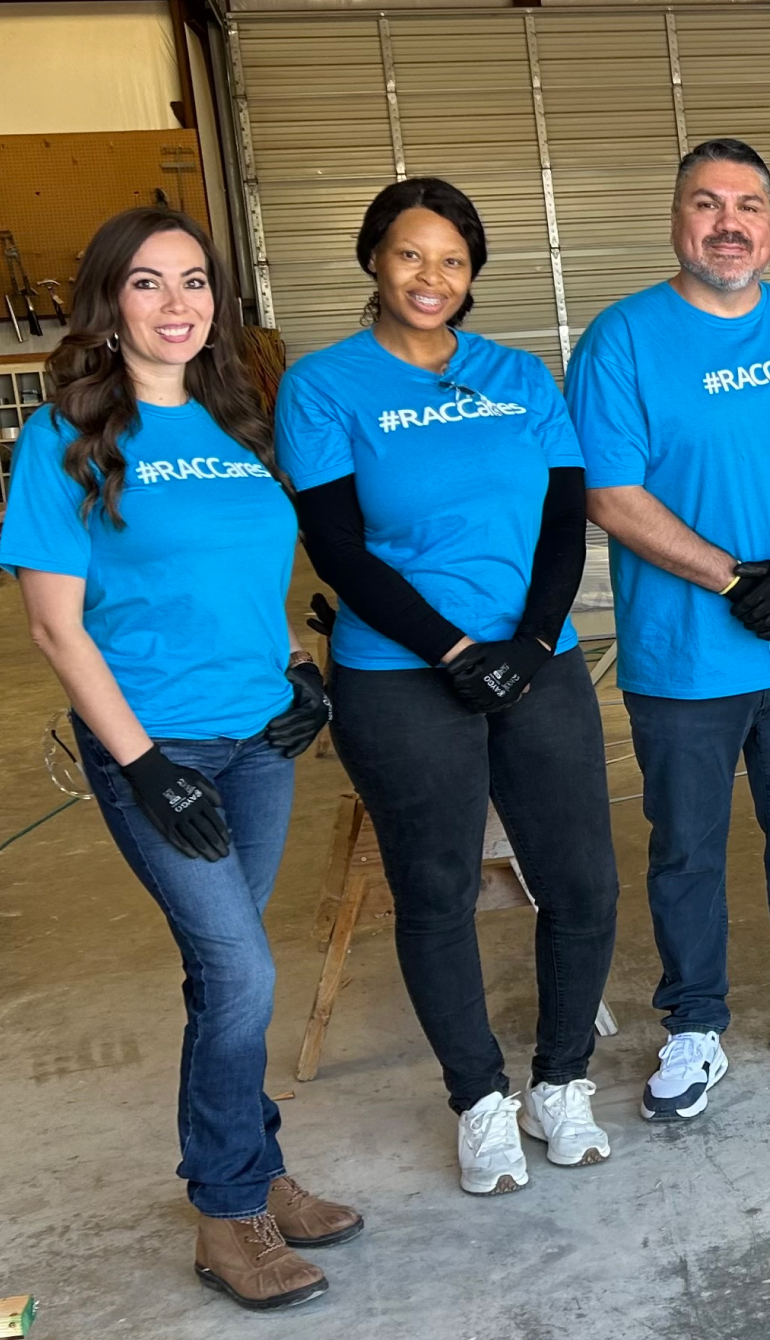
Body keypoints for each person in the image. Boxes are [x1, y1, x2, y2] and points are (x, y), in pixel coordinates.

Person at [1, 207, 356, 1311]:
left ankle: (254, 1169)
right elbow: (56, 627)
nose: (176, 304)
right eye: (148, 284)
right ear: (110, 306)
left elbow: (246, 578)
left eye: (194, 281)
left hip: (258, 741)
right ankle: (227, 1208)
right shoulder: (64, 438)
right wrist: (145, 762)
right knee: (243, 972)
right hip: (156, 749)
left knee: (227, 975)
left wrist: (303, 669)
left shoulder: (234, 420)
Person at [278, 178, 620, 1194]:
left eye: (452, 259)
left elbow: (567, 519)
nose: (431, 277)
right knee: (435, 887)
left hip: (537, 659)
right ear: (374, 261)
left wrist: (534, 637)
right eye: (410, 255)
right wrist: (454, 651)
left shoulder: (520, 375)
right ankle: (478, 1098)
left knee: (585, 881)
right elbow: (337, 543)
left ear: (474, 274)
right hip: (400, 673)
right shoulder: (325, 383)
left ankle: (562, 1079)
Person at [572, 138, 770, 1116]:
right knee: (688, 850)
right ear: (677, 220)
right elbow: (609, 493)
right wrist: (730, 576)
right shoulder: (622, 338)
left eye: (747, 204)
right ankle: (696, 1023)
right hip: (684, 654)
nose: (728, 222)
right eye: (706, 204)